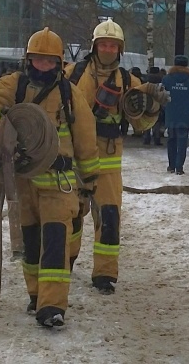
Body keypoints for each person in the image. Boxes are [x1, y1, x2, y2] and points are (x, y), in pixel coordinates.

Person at [0, 27, 101, 329]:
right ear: (29, 60)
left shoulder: (70, 94)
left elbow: (85, 139)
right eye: (38, 60)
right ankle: (36, 294)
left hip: (59, 182)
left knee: (55, 242)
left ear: (58, 62)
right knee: (29, 243)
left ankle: (52, 306)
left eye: (49, 61)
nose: (43, 65)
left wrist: (89, 182)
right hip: (24, 183)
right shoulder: (13, 85)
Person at [64, 19, 168, 295]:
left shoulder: (128, 82)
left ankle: (105, 274)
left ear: (119, 49)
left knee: (109, 218)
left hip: (108, 162)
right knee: (71, 215)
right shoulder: (72, 74)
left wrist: (152, 107)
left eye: (113, 45)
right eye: (104, 44)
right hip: (74, 158)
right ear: (95, 46)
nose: (108, 49)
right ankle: (66, 261)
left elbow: (142, 126)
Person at [162, 55, 189, 175]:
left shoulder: (167, 79)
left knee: (171, 140)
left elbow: (160, 95)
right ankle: (179, 167)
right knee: (182, 141)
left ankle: (171, 166)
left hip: (171, 113)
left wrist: (164, 108)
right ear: (187, 65)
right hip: (185, 115)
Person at [142, 66, 165, 146]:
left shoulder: (145, 79)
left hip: (147, 102)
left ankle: (146, 138)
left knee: (146, 121)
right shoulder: (161, 80)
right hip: (157, 103)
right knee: (157, 122)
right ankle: (157, 139)